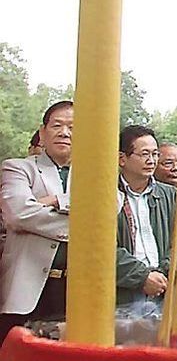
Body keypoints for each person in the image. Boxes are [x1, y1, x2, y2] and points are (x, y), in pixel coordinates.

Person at [0, 101, 74, 338]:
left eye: (73, 127)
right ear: (42, 133)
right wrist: (81, 220)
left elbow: (107, 213)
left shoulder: (98, 173)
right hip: (26, 291)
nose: (65, 132)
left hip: (77, 293)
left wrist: (54, 200)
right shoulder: (18, 168)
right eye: (57, 125)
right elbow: (19, 214)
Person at [115, 125, 177, 310]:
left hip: (163, 288)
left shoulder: (170, 195)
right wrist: (142, 276)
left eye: (155, 154)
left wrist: (163, 272)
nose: (151, 161)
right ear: (122, 159)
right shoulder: (105, 194)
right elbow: (100, 246)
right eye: (144, 154)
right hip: (122, 291)